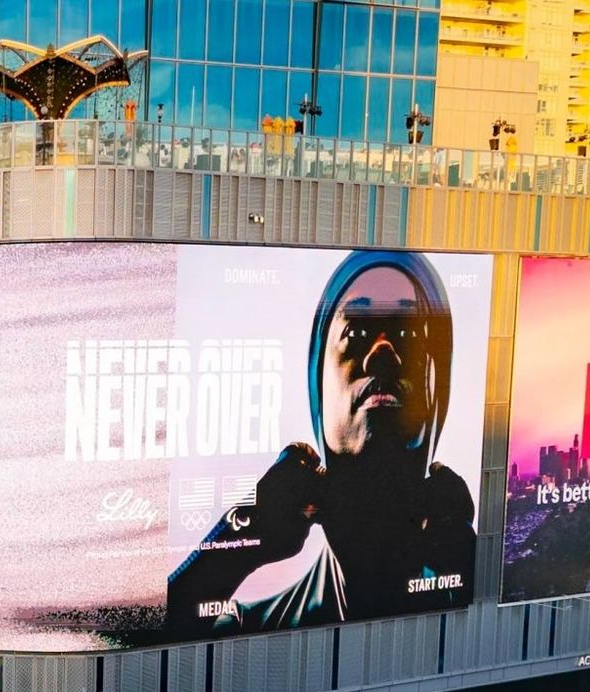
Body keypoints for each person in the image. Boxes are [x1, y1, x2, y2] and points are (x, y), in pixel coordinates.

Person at [166, 250, 475, 637]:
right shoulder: (254, 627)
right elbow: (114, 667)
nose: (383, 353)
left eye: (410, 333)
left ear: (437, 384)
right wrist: (238, 541)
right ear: (318, 384)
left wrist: (475, 572)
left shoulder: (475, 608)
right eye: (356, 333)